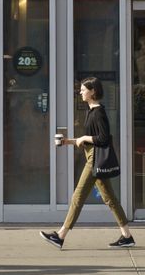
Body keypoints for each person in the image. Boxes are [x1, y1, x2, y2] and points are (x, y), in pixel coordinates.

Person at [40, 76, 135, 249]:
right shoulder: (91, 111)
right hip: (93, 157)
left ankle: (60, 236)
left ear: (93, 92)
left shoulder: (98, 112)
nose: (81, 92)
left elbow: (104, 138)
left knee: (78, 197)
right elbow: (92, 139)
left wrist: (83, 137)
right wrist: (68, 141)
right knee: (110, 199)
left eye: (84, 89)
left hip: (94, 159)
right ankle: (127, 236)